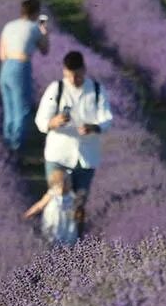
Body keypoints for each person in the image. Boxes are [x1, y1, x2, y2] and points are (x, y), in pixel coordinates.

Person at [34, 50, 112, 236]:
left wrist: (93, 127)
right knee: (57, 201)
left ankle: (76, 245)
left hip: (86, 156)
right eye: (69, 76)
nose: (73, 80)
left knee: (79, 203)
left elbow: (107, 119)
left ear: (84, 70)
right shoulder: (56, 89)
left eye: (77, 75)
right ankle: (52, 241)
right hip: (59, 154)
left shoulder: (97, 90)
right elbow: (41, 120)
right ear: (64, 72)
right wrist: (54, 122)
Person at [0, 0, 49, 152]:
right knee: (22, 109)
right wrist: (44, 33)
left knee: (9, 108)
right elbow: (45, 49)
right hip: (21, 67)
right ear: (36, 12)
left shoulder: (9, 26)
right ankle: (16, 147)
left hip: (5, 68)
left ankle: (8, 145)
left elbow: (2, 54)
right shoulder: (34, 28)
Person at [23, 168, 78, 245]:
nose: (62, 187)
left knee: (68, 241)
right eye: (59, 184)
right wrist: (28, 214)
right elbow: (39, 206)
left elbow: (78, 209)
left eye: (66, 183)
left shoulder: (72, 196)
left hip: (67, 224)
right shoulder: (51, 194)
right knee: (50, 238)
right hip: (52, 222)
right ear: (53, 185)